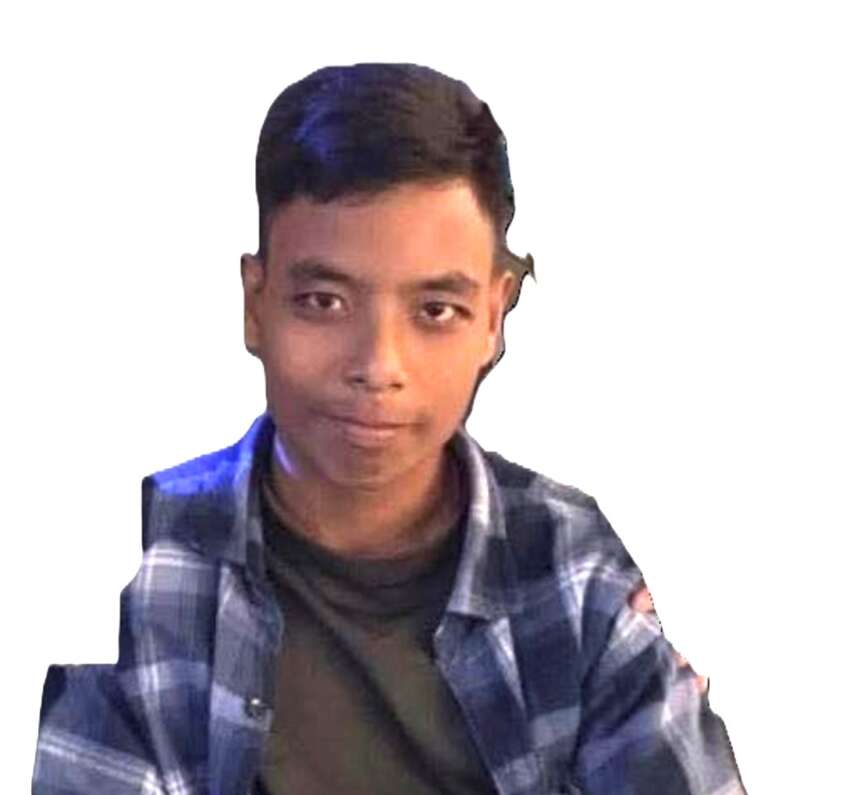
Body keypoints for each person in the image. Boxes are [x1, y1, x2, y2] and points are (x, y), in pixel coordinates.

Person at [32, 63, 745, 795]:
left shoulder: (567, 561)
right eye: (324, 301)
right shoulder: (138, 557)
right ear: (255, 304)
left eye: (435, 311)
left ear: (493, 318)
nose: (378, 365)